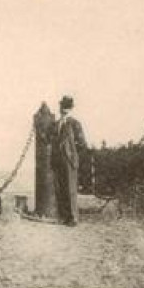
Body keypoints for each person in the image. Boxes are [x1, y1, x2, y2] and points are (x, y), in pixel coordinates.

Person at [50, 95, 87, 226]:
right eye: (62, 106)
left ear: (70, 108)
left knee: (70, 189)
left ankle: (73, 218)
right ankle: (64, 216)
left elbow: (82, 143)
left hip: (69, 161)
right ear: (60, 107)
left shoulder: (75, 124)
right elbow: (48, 139)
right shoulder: (56, 124)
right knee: (60, 188)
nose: (63, 109)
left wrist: (72, 154)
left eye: (66, 106)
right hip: (57, 160)